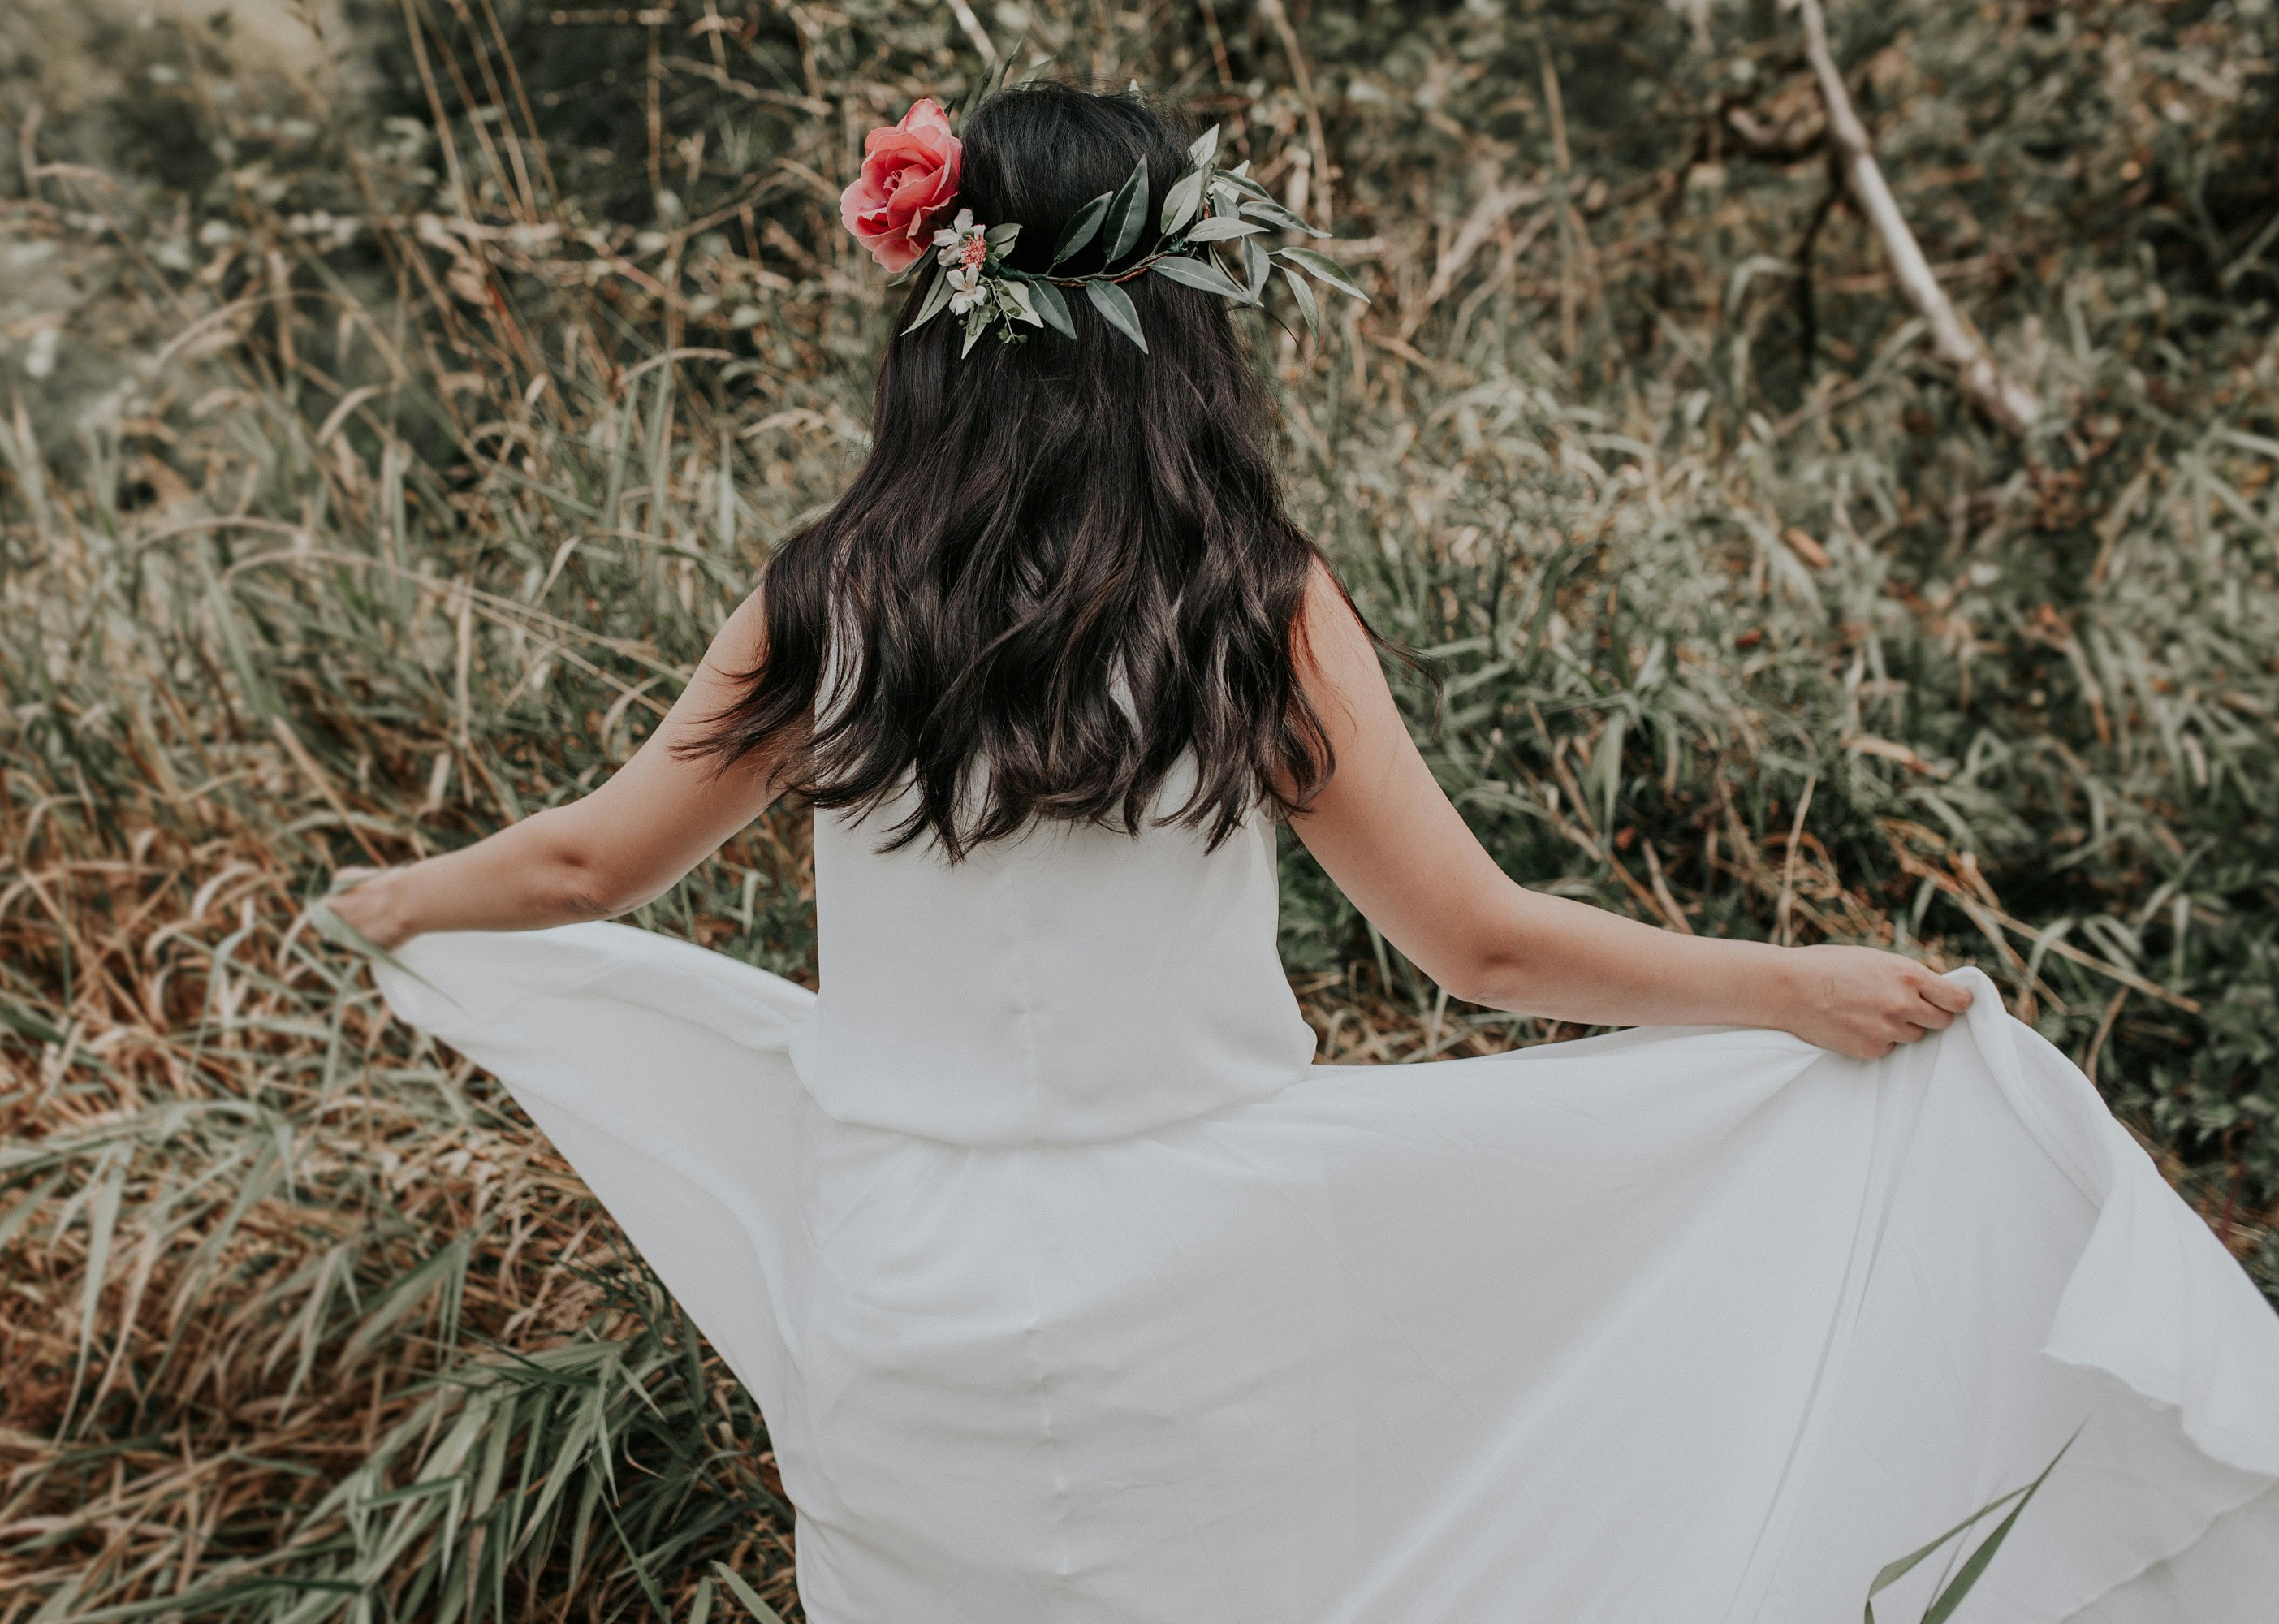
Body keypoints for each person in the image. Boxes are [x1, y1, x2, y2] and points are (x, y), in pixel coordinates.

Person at [326, 82, 2279, 1623]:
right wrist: (1796, 989)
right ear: (1179, 310)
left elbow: (591, 868)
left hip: (904, 1286)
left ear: (939, 301)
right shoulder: (1242, 596)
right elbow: (1480, 945)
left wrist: (390, 900)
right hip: (1208, 1278)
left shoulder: (833, 596)